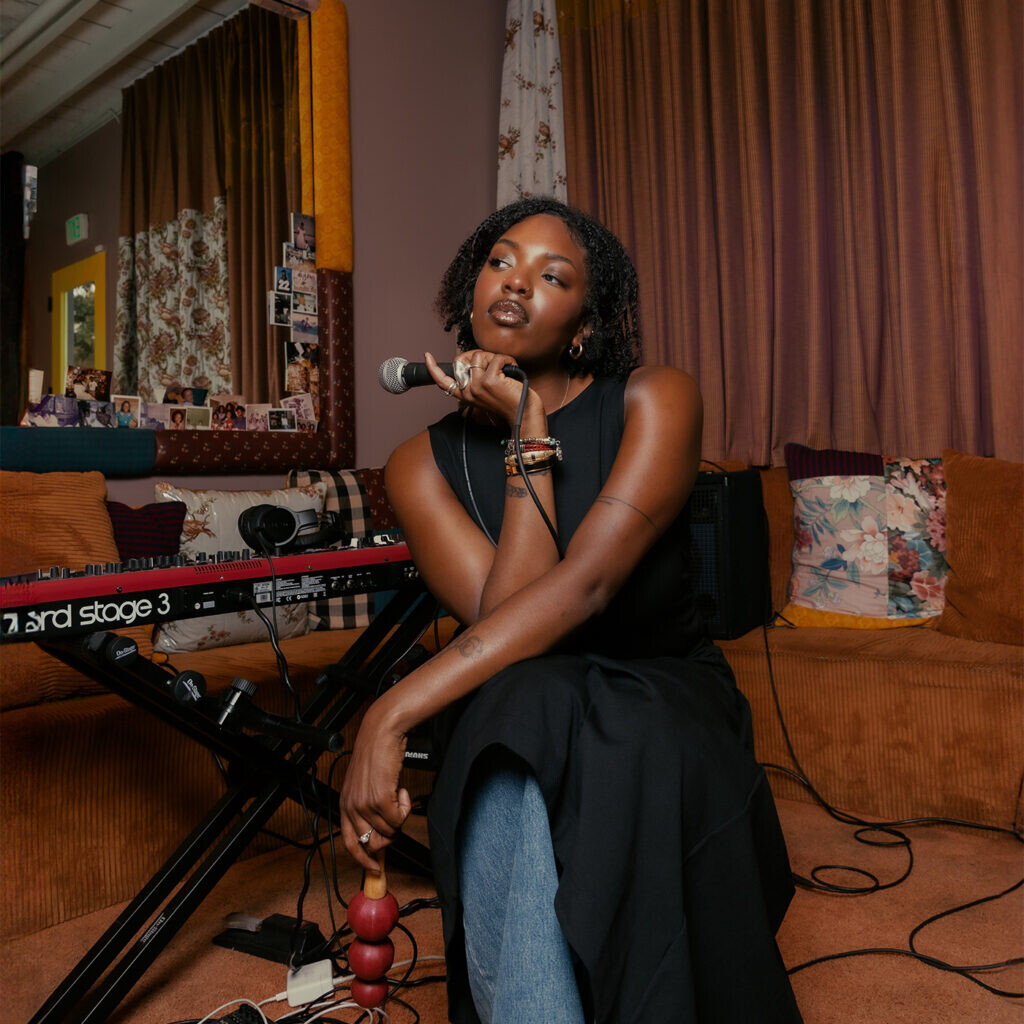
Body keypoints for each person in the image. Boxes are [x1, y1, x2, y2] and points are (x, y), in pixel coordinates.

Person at [339, 197, 802, 1023]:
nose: (516, 283)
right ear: (470, 290)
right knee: (522, 703)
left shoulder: (655, 399)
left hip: (660, 693)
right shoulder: (419, 466)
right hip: (526, 699)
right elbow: (513, 626)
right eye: (500, 262)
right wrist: (524, 437)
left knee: (535, 711)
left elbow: (585, 588)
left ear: (584, 325)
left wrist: (390, 711)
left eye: (552, 277)